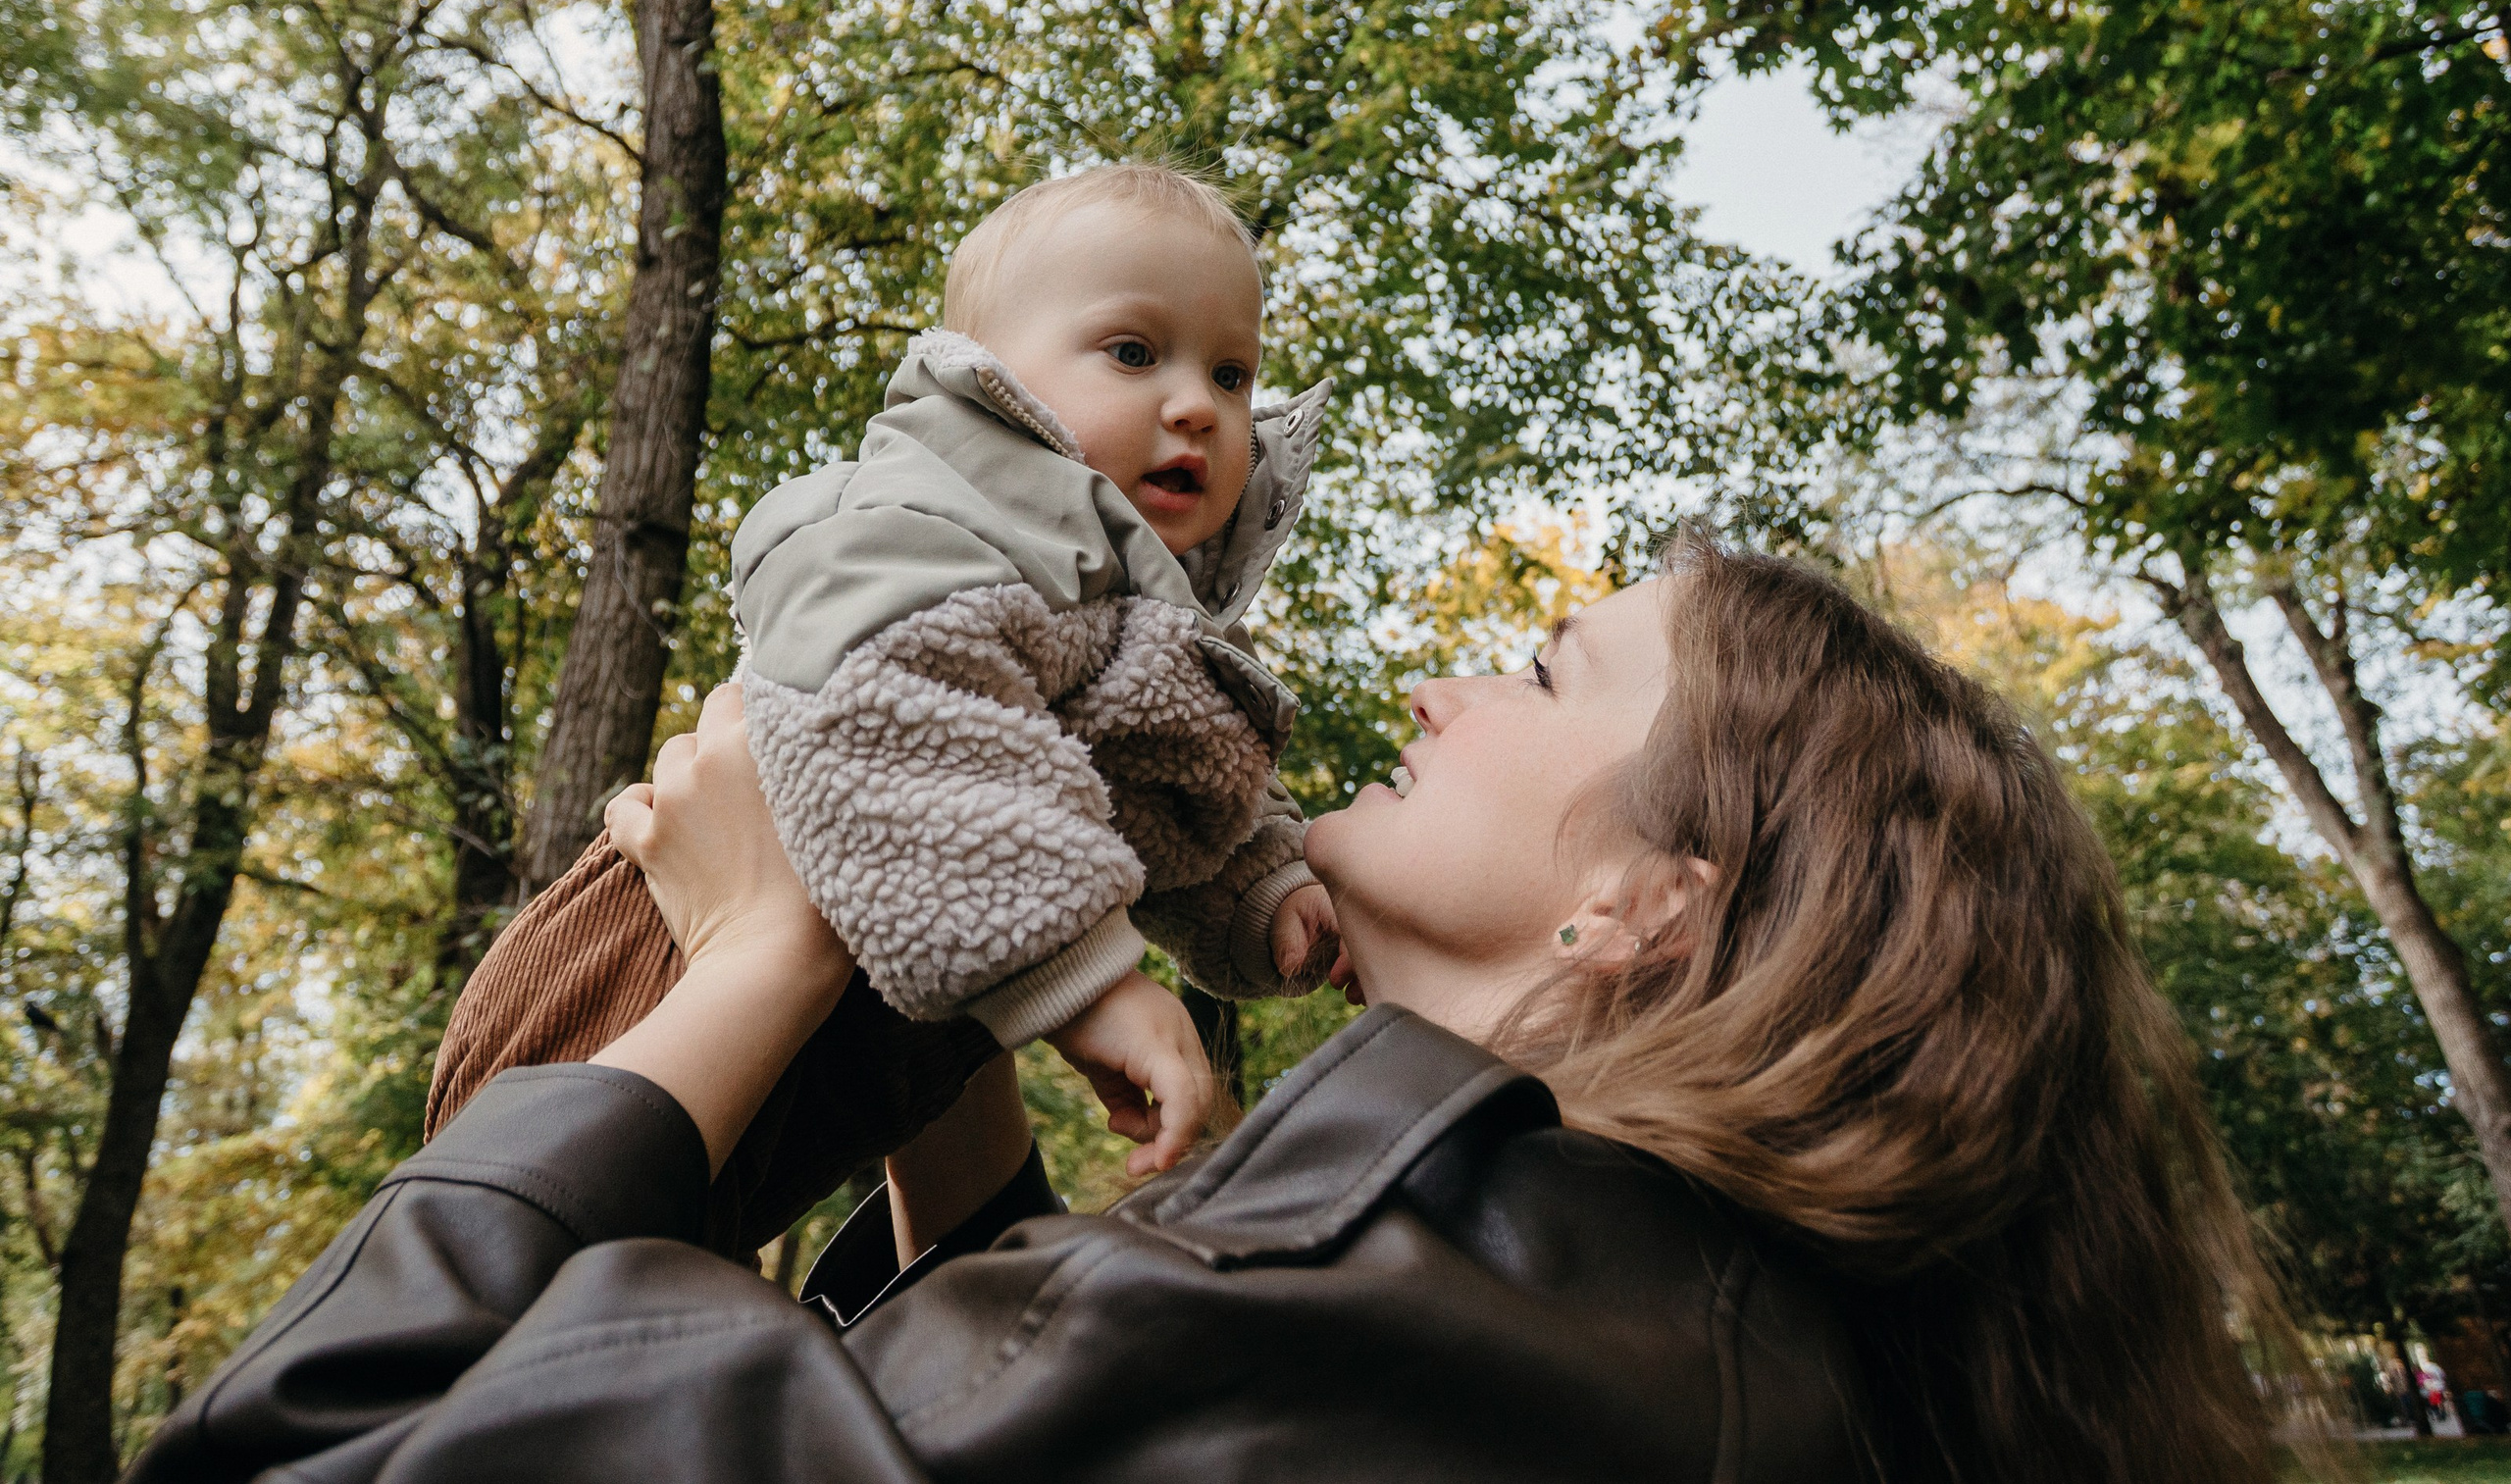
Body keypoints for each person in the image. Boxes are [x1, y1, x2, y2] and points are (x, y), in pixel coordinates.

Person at [130, 535, 2298, 1484]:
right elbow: (1032, 1413)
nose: (1453, 681)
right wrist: (952, 995)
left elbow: (310, 1452)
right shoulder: (1585, 1319)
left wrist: (764, 946)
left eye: (1544, 672)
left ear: (1648, 900)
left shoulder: (1414, 1315)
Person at [430, 162, 1340, 1191]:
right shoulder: (925, 520)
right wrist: (1089, 984)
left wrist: (1266, 885)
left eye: (1232, 374)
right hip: (618, 999)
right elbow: (894, 708)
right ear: (986, 374)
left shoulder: (1129, 610)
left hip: (804, 1082)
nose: (1198, 407)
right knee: (539, 1267)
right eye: (1133, 352)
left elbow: (1159, 763)